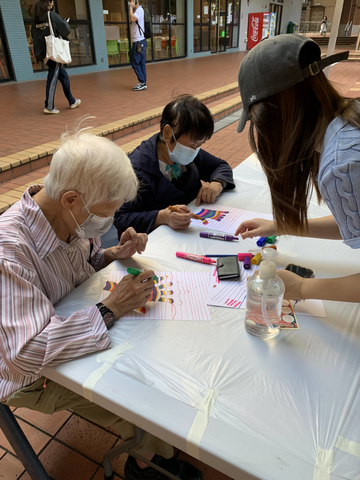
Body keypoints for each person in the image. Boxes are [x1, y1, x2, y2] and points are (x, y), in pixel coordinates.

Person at [0, 130, 202, 480]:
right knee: (142, 399)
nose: (107, 223)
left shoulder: (72, 216)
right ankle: (146, 462)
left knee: (158, 357)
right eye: (105, 214)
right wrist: (109, 308)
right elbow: (24, 352)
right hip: (30, 377)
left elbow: (86, 260)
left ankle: (154, 446)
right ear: (71, 199)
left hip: (69, 326)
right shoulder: (9, 250)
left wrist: (112, 254)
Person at [235, 34, 357, 304]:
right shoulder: (349, 120)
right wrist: (283, 225)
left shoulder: (342, 166)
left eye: (256, 118)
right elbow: (353, 222)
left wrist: (302, 288)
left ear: (278, 109)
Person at [114, 95, 235, 236]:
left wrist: (217, 184)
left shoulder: (190, 153)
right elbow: (121, 218)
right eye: (191, 144)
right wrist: (161, 217)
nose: (195, 150)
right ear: (167, 133)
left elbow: (220, 166)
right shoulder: (138, 169)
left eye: (199, 145)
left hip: (191, 229)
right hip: (153, 239)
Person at [31, 0, 81, 114]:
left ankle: (72, 100)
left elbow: (34, 35)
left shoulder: (37, 19)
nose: (52, 4)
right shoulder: (51, 15)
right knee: (53, 76)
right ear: (48, 2)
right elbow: (65, 30)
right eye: (52, 1)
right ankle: (49, 106)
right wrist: (65, 23)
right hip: (54, 51)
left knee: (63, 76)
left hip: (44, 52)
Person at [128, 0, 147, 91]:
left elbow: (132, 19)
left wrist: (131, 8)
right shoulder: (137, 11)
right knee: (141, 63)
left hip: (138, 42)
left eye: (130, 1)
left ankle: (142, 82)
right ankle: (143, 82)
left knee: (135, 62)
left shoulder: (139, 10)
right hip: (139, 41)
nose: (129, 2)